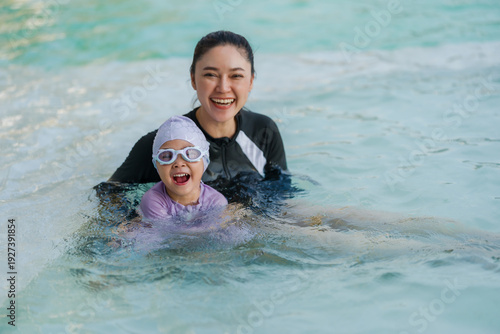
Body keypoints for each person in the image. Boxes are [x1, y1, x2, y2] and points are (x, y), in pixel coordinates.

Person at [108, 30, 288, 189]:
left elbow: (283, 193)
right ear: (193, 79)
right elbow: (108, 193)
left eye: (236, 76)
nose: (223, 88)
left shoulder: (264, 130)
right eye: (210, 75)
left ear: (250, 81)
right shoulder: (164, 145)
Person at [139, 116, 227, 221]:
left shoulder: (216, 201)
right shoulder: (153, 200)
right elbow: (169, 234)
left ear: (204, 161)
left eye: (190, 154)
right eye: (167, 156)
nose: (179, 163)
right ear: (156, 164)